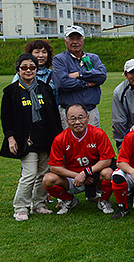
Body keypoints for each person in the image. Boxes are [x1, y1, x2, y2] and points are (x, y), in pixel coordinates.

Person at [1, 53, 63, 221]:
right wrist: (10, 138)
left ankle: (38, 204)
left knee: (43, 173)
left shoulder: (44, 89)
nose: (28, 71)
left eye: (32, 67)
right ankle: (20, 207)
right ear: (18, 70)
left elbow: (54, 115)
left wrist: (57, 138)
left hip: (45, 138)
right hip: (25, 140)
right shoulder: (11, 91)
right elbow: (6, 118)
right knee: (29, 174)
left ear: (36, 69)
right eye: (24, 68)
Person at [42, 104, 116, 215]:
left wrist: (86, 173)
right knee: (47, 180)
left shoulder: (98, 134)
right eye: (73, 119)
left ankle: (103, 200)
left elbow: (107, 160)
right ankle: (69, 200)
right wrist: (77, 175)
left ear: (88, 117)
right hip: (73, 178)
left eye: (81, 117)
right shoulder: (60, 139)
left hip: (93, 176)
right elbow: (54, 167)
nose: (77, 122)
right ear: (67, 121)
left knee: (108, 172)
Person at [52, 25, 107, 128]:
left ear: (83, 40)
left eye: (78, 38)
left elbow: (101, 76)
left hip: (90, 112)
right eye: (71, 38)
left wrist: (79, 74)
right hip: (69, 113)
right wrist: (87, 83)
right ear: (65, 41)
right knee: (69, 143)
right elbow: (62, 83)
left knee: (93, 142)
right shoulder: (59, 59)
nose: (75, 42)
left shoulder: (93, 58)